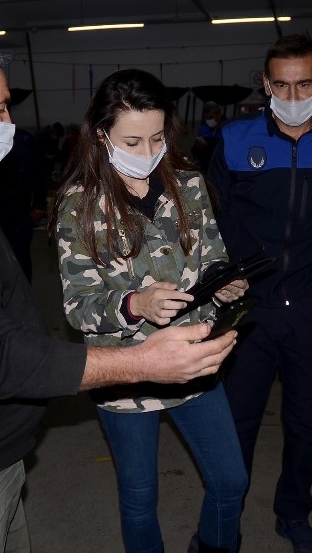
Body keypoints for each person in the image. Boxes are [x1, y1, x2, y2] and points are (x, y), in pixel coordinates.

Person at [0, 32, 238, 553]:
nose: (8, 121)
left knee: (228, 480)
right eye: (0, 107)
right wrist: (140, 355)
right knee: (139, 497)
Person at [52, 69, 250, 553]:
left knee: (231, 481)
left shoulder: (189, 185)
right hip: (127, 375)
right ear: (102, 135)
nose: (147, 152)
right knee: (140, 498)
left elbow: (213, 256)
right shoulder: (80, 205)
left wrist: (225, 284)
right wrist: (135, 304)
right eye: (132, 141)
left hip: (192, 362)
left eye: (157, 138)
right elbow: (78, 308)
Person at [208, 33, 312, 553]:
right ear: (265, 84)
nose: (292, 95)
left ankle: (294, 513)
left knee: (305, 419)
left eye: (303, 84)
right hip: (250, 307)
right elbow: (217, 215)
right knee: (237, 419)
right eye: (281, 84)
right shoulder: (234, 140)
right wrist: (238, 273)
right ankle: (223, 521)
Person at [0, 127, 47, 280]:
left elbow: (40, 172)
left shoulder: (24, 139)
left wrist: (39, 203)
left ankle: (23, 291)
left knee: (20, 258)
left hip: (19, 210)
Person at [191, 101, 224, 172]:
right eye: (206, 118)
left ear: (218, 115)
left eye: (211, 117)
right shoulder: (203, 128)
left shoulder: (227, 128)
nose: (209, 120)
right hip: (206, 156)